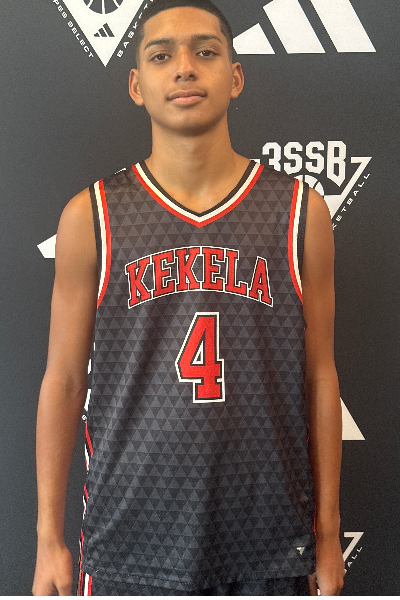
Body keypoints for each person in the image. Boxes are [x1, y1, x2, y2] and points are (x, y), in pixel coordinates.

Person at [32, 0, 344, 596]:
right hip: (130, 541)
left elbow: (320, 376)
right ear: (136, 85)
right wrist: (49, 537)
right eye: (161, 55)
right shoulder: (92, 216)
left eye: (205, 51)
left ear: (236, 75)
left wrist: (327, 535)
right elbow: (65, 381)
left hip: (268, 540)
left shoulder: (299, 212)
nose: (184, 67)